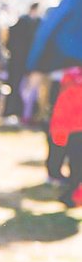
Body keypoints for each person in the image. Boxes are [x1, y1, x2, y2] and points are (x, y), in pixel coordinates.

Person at [48, 67, 82, 206]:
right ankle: (74, 192)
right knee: (76, 163)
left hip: (74, 129)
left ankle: (74, 192)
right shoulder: (72, 79)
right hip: (75, 129)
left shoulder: (71, 79)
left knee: (76, 163)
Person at [4, 3, 41, 121]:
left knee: (18, 87)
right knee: (17, 86)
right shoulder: (27, 22)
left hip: (19, 61)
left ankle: (16, 112)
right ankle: (13, 112)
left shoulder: (30, 22)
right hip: (21, 61)